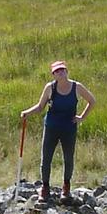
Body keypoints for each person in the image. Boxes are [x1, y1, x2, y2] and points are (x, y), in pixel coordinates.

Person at [21, 60, 94, 203]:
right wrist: (26, 113)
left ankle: (66, 188)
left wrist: (81, 117)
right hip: (51, 128)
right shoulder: (50, 88)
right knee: (46, 158)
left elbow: (92, 101)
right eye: (57, 71)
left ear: (67, 72)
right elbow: (40, 106)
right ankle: (45, 188)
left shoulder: (76, 87)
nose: (61, 73)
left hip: (69, 128)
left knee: (68, 158)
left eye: (63, 70)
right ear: (53, 75)